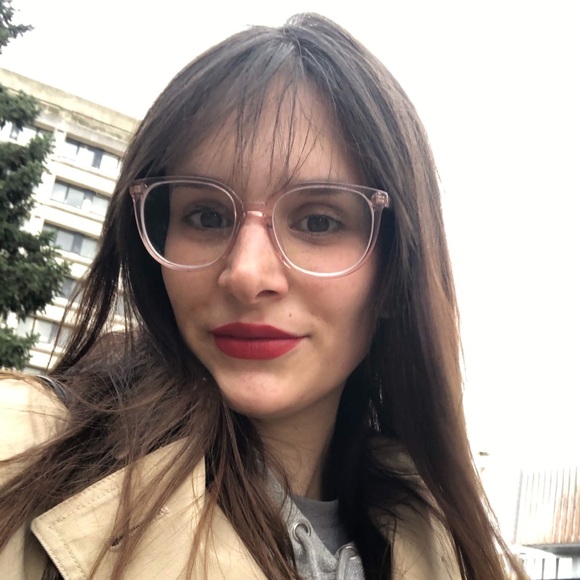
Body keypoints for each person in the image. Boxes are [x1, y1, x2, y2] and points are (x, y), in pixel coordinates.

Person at [0, 13, 526, 580]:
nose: (247, 274)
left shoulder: (455, 546)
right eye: (206, 216)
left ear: (396, 273)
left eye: (318, 222)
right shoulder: (23, 453)